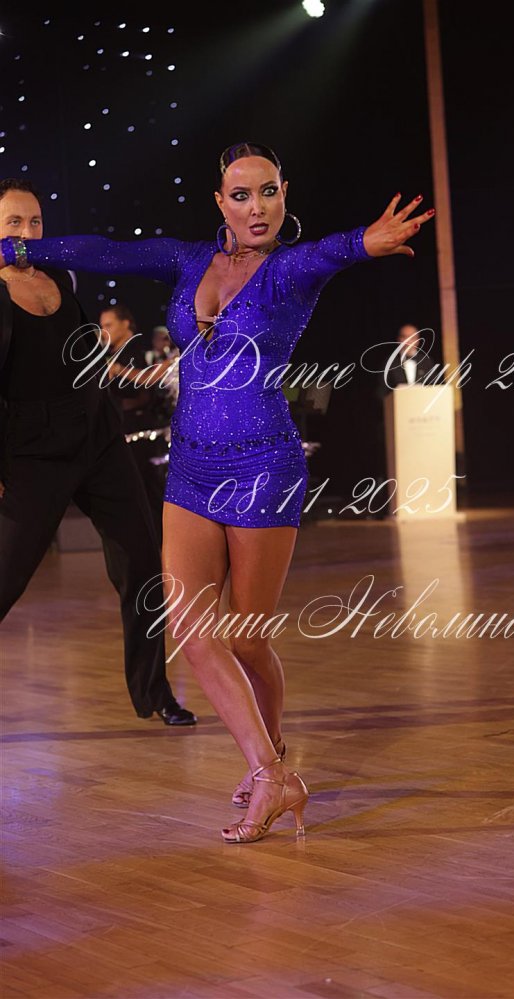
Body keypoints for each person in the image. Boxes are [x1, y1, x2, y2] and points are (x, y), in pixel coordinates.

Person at [0, 142, 434, 842]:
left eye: (269, 192)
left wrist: (367, 240)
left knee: (245, 637)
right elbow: (105, 251)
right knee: (192, 632)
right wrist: (15, 248)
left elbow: (332, 253)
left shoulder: (289, 270)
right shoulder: (186, 259)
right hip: (191, 471)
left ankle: (275, 756)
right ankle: (271, 772)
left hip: (263, 466)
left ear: (284, 195)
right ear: (219, 202)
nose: (256, 208)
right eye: (241, 195)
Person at [0, 178, 196, 727]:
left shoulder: (60, 274)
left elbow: (85, 352)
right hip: (32, 454)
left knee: (142, 561)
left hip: (97, 438)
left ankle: (155, 693)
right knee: (6, 578)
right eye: (14, 222)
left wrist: (123, 384)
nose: (27, 232)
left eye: (35, 222)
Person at [99, 303, 170, 542]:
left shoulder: (135, 353)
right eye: (101, 326)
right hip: (126, 430)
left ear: (126, 323)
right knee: (139, 491)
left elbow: (145, 390)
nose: (104, 331)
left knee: (146, 490)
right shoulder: (114, 355)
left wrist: (116, 377)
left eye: (109, 325)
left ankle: (158, 543)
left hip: (140, 433)